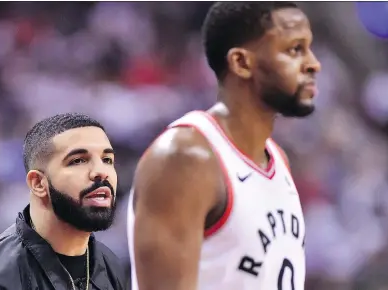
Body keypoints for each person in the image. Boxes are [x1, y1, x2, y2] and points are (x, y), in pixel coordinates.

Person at [127, 2, 321, 290]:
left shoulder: (277, 158)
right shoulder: (185, 158)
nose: (313, 63)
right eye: (295, 49)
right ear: (242, 63)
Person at [0, 113, 129, 290]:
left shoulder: (109, 263)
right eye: (78, 160)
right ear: (38, 183)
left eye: (107, 159)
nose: (101, 171)